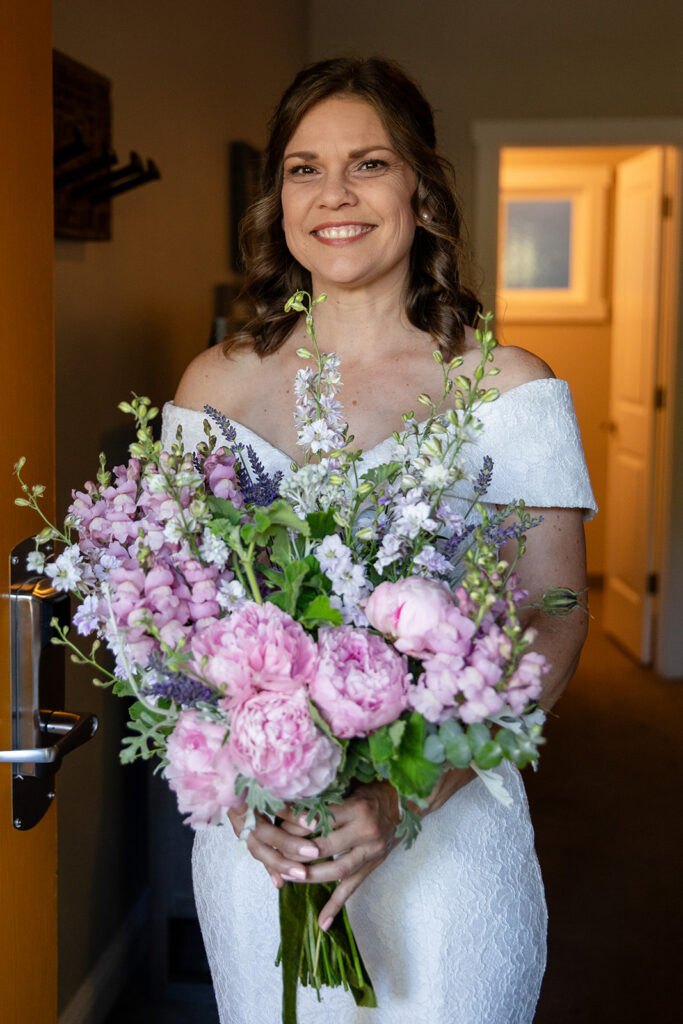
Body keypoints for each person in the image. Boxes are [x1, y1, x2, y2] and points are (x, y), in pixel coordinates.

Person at [162, 57, 596, 1023]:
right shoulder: (211, 387)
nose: (335, 196)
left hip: (446, 846)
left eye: (368, 163)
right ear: (277, 197)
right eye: (304, 169)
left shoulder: (505, 386)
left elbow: (555, 616)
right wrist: (244, 805)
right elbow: (172, 630)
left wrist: (408, 795)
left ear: (421, 189)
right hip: (266, 855)